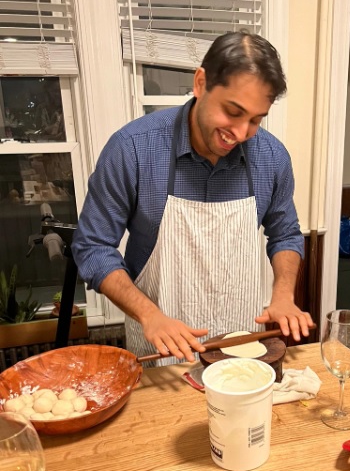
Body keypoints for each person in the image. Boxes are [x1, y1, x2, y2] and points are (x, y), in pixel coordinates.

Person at [72, 31, 314, 366]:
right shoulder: (132, 149)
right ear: (201, 83)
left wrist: (284, 295)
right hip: (161, 352)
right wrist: (150, 315)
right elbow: (93, 247)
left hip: (239, 348)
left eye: (256, 120)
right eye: (233, 111)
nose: (240, 133)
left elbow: (285, 234)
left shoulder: (271, 157)